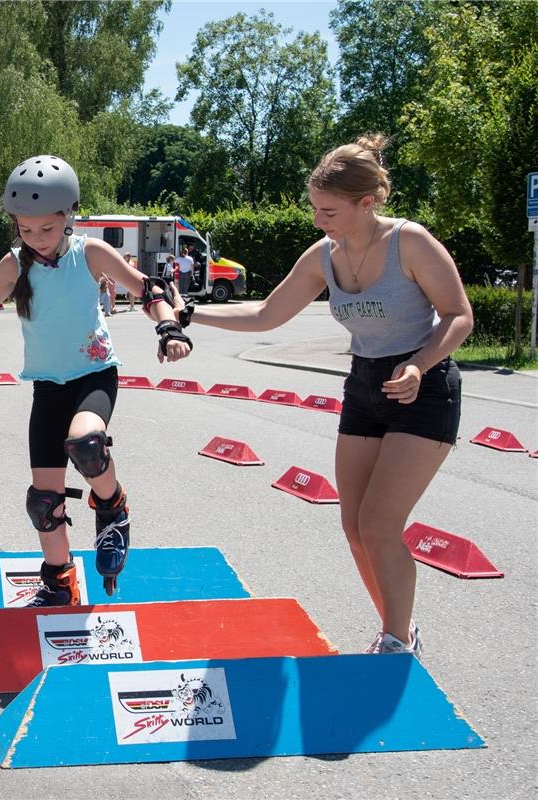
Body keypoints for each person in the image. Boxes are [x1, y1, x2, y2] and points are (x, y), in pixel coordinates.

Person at [179, 134, 473, 657]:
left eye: (329, 210)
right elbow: (266, 314)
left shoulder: (412, 243)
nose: (319, 220)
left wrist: (419, 364)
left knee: (380, 524)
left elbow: (458, 315)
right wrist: (189, 313)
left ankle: (396, 643)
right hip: (364, 386)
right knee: (355, 527)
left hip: (423, 388)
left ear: (367, 203)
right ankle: (397, 629)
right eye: (314, 207)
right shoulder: (323, 255)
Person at [0, 154, 192, 605]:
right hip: (48, 387)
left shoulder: (91, 254)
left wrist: (167, 328)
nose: (36, 239)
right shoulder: (14, 265)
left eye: (45, 229)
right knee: (44, 503)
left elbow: (149, 289)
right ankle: (58, 580)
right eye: (25, 230)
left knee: (86, 443)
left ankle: (112, 505)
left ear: (68, 216)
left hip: (94, 376)